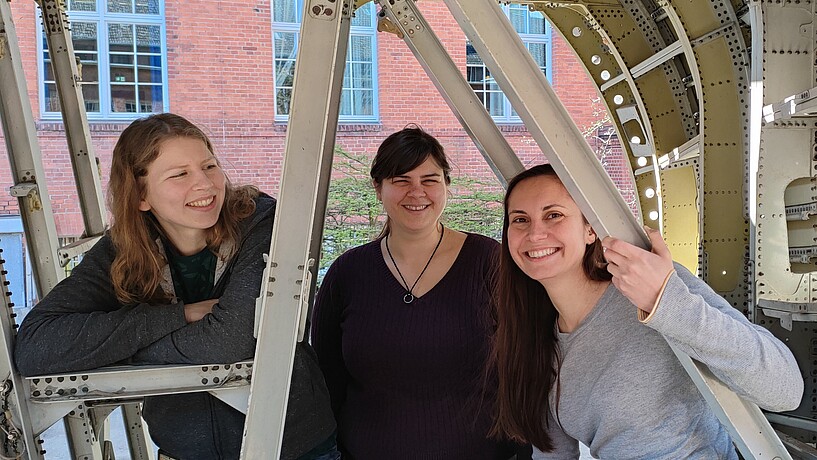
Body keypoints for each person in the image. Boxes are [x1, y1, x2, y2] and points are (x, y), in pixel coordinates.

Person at [14, 113, 338, 460]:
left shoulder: (262, 222)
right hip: (183, 451)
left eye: (209, 166)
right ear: (141, 195)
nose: (205, 185)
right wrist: (176, 316)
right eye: (180, 174)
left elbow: (229, 340)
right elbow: (36, 348)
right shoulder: (121, 251)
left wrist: (114, 349)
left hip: (293, 447)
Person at [490, 163, 803, 458]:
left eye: (554, 215)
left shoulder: (652, 286)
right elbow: (553, 453)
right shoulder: (532, 341)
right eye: (520, 220)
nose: (534, 234)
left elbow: (784, 389)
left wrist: (665, 302)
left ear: (589, 230)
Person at [311, 126, 527, 459]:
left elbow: (525, 365)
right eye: (401, 180)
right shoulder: (348, 273)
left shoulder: (488, 261)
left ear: (446, 186)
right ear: (378, 188)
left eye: (429, 180)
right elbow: (327, 377)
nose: (417, 192)